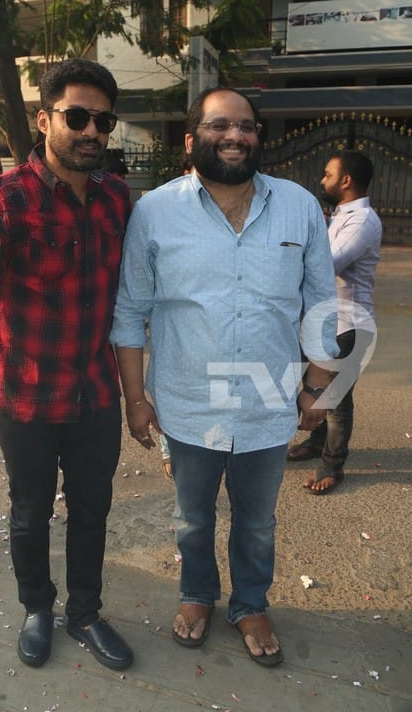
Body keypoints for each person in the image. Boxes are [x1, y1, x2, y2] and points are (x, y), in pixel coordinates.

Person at [110, 87, 338, 667]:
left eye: (246, 126)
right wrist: (135, 398)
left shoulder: (298, 207)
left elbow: (321, 305)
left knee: (257, 522)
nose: (235, 135)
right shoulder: (155, 211)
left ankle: (250, 603)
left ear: (258, 136)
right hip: (187, 401)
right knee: (192, 517)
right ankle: (197, 594)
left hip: (268, 400)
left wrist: (318, 386)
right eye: (220, 125)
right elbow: (131, 309)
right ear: (191, 140)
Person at [0, 58, 134, 671]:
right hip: (25, 396)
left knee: (92, 510)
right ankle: (37, 608)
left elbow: (134, 300)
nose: (91, 131)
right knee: (30, 512)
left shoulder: (116, 200)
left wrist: (137, 395)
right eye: (77, 117)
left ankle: (85, 613)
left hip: (95, 395)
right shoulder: (0, 202)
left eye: (103, 121)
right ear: (44, 119)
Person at [287, 150, 382, 494]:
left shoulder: (363, 221)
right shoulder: (338, 216)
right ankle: (317, 442)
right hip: (323, 320)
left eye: (327, 175)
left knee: (336, 400)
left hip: (348, 324)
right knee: (315, 389)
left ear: (346, 180)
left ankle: (332, 466)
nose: (321, 180)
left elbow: (327, 265)